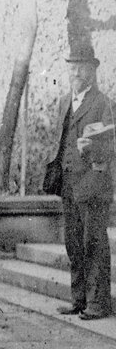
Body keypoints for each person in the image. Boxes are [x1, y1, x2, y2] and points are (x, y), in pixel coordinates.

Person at [45, 42, 114, 321]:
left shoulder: (103, 103)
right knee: (73, 243)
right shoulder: (64, 102)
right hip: (68, 182)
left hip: (93, 182)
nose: (75, 72)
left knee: (94, 242)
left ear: (92, 71)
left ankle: (98, 303)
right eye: (71, 67)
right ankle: (79, 300)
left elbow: (111, 145)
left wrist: (92, 147)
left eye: (81, 67)